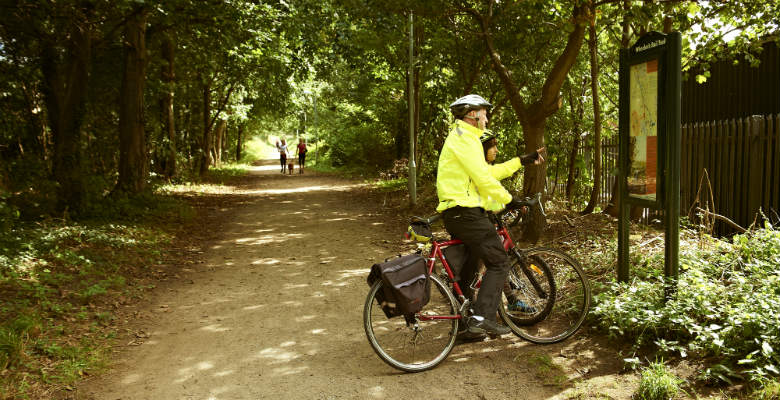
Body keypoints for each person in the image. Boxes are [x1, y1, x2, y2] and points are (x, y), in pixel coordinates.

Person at [436, 94, 544, 340]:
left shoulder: (466, 138)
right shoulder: (465, 140)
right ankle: (482, 318)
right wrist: (510, 200)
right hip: (465, 212)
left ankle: (466, 329)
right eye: (484, 112)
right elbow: (483, 180)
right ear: (472, 115)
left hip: (459, 212)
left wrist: (522, 160)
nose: (487, 116)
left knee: (470, 270)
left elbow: (489, 172)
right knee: (500, 262)